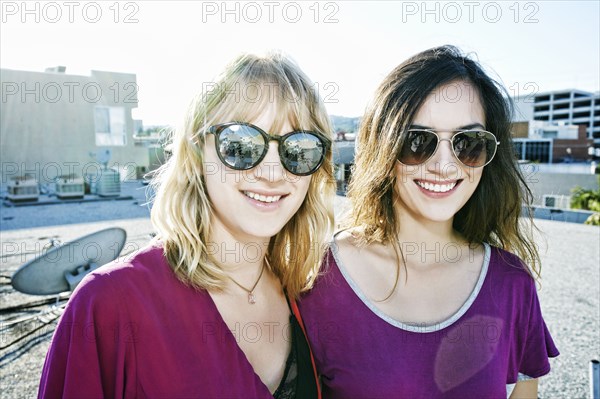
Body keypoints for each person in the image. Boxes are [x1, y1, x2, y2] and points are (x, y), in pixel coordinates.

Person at [38, 52, 335, 398]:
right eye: (240, 145)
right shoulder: (109, 305)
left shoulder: (306, 295)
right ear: (197, 151)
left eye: (299, 149)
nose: (271, 172)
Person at [298, 45, 559, 398]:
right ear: (383, 145)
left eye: (468, 143)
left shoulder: (511, 284)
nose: (445, 166)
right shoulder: (317, 277)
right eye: (418, 141)